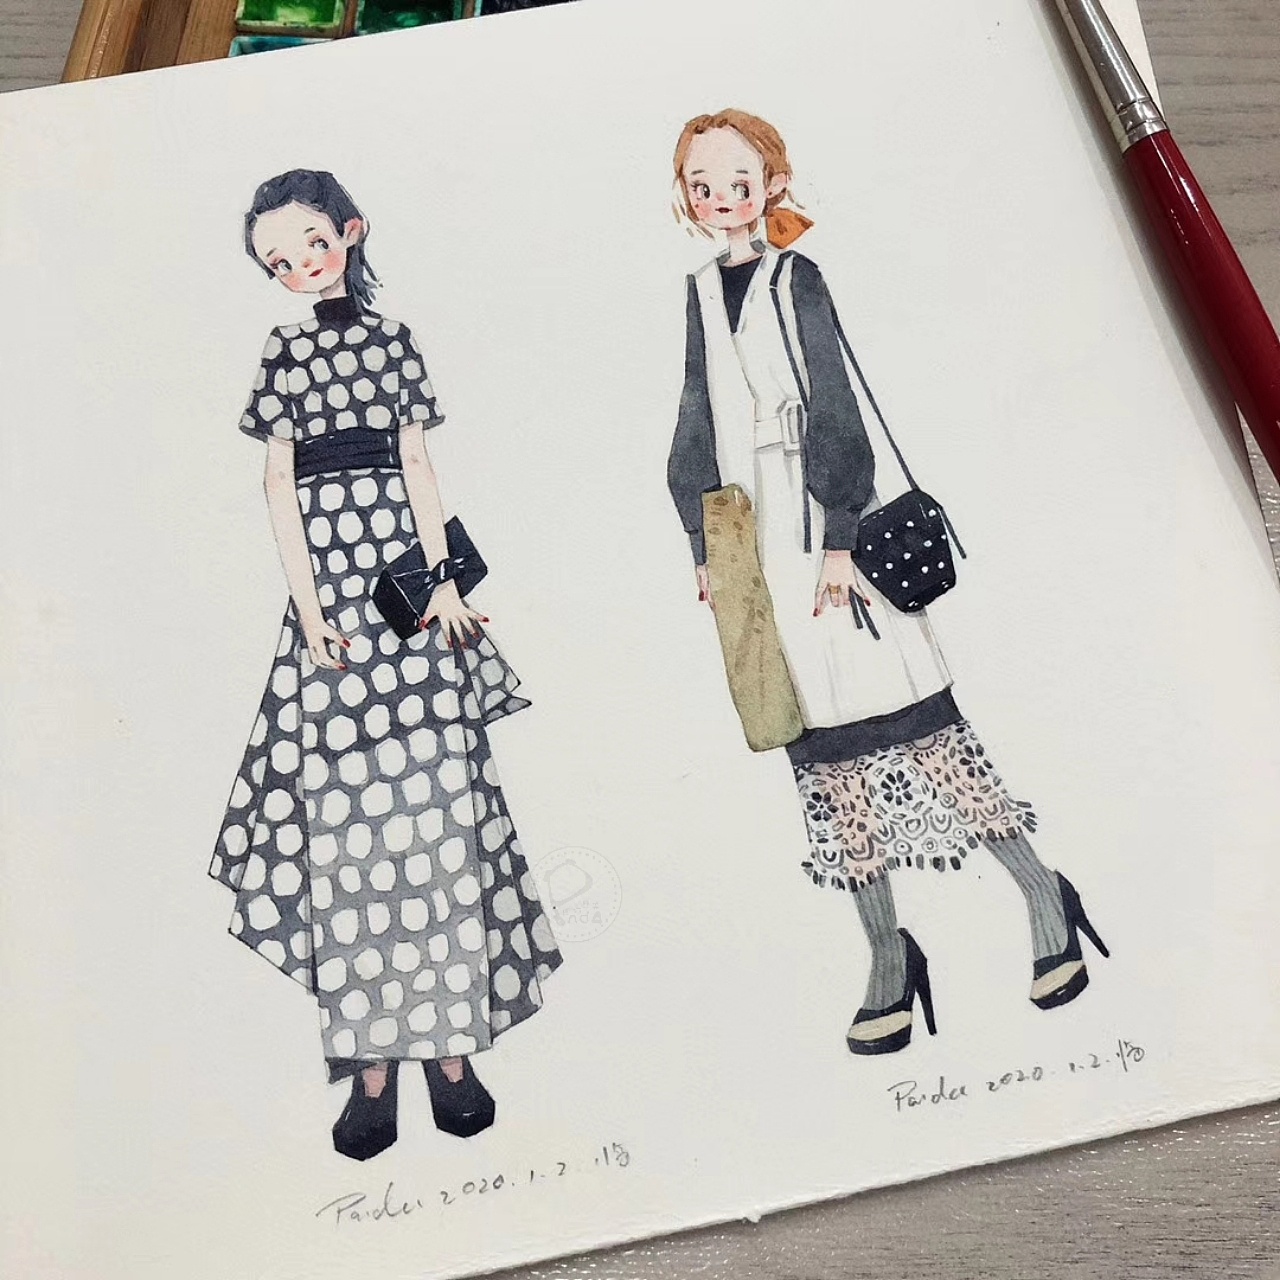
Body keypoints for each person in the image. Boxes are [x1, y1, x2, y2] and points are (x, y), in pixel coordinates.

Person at [667, 111, 1108, 1055]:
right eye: (703, 185)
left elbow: (837, 406)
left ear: (771, 183)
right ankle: (885, 953)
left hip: (831, 531)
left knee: (920, 725)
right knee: (820, 755)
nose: (720, 199)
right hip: (753, 546)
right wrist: (702, 544)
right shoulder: (698, 291)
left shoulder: (796, 277)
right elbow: (694, 416)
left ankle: (1044, 894)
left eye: (738, 181)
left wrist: (840, 538)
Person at [209, 169, 561, 1158]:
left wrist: (440, 584)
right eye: (278, 262)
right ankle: (370, 1073)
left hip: (407, 601)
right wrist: (311, 611)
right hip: (330, 614)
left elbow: (417, 467)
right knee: (348, 836)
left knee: (437, 818)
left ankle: (450, 1057)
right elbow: (277, 486)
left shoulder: (395, 343)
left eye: (312, 245)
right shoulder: (283, 352)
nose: (299, 267)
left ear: (350, 233)